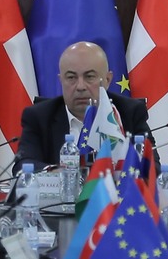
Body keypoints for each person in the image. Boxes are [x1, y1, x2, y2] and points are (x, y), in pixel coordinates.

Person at [17, 40, 151, 169]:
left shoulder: (130, 112)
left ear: (107, 80)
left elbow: (151, 167)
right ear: (61, 80)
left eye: (89, 76)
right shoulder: (39, 116)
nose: (80, 87)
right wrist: (61, 173)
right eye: (71, 77)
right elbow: (23, 165)